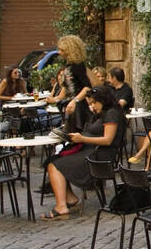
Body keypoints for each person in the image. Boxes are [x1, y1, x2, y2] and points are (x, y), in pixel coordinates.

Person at [41, 85, 126, 219]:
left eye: (94, 103)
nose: (93, 106)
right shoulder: (103, 113)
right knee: (53, 160)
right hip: (91, 151)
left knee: (54, 165)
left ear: (103, 100)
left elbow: (108, 140)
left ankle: (61, 207)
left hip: (99, 157)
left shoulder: (112, 114)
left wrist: (82, 138)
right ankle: (70, 199)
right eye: (90, 103)